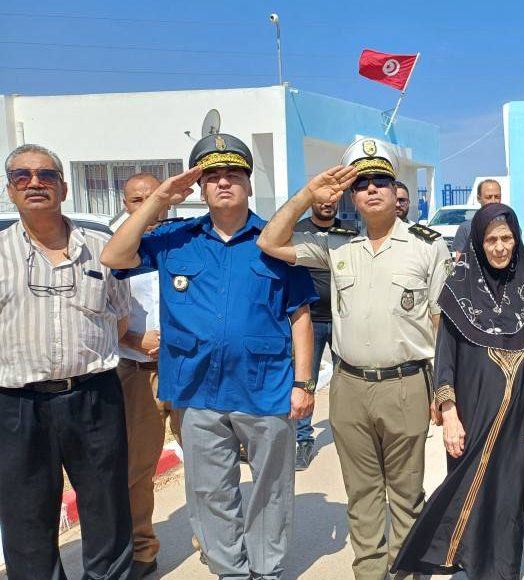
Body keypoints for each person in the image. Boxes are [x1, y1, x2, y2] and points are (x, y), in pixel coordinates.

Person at [101, 133, 318, 580]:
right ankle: (231, 570)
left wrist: (303, 383)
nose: (223, 182)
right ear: (200, 189)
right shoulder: (174, 238)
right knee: (209, 490)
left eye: (233, 174)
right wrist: (158, 199)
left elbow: (300, 316)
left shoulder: (274, 241)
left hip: (266, 386)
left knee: (271, 488)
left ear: (249, 184)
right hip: (196, 388)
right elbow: (114, 256)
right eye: (213, 176)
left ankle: (266, 569)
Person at [257, 136, 451, 579]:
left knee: (406, 494)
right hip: (349, 386)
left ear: (396, 189)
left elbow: (441, 325)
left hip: (407, 383)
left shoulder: (428, 246)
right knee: (361, 494)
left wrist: (442, 390)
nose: (372, 189)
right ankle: (369, 572)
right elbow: (269, 241)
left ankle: (406, 571)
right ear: (351, 194)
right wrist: (308, 194)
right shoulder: (336, 245)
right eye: (361, 183)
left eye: (381, 180)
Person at [393, 203, 524, 578]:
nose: (500, 247)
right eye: (491, 240)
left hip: (519, 422)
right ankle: (464, 562)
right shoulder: (457, 290)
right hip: (473, 412)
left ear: (516, 240)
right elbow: (445, 358)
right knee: (468, 488)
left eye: (507, 238)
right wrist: (449, 414)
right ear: (478, 243)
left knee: (510, 499)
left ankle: (503, 572)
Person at [0, 144, 133, 580]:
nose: (34, 183)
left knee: (107, 506)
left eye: (46, 175)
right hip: (17, 403)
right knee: (26, 515)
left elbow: (119, 318)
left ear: (64, 187)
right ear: (10, 190)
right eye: (22, 176)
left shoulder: (102, 249)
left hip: (94, 397)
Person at [116, 172, 184, 579]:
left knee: (205, 460)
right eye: (135, 200)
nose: (145, 206)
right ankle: (142, 549)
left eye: (152, 197)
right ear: (125, 205)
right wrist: (133, 338)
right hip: (136, 372)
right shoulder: (116, 251)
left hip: (186, 370)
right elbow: (98, 313)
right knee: (136, 470)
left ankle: (212, 541)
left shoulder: (185, 243)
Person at [291, 197, 356, 471]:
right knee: (306, 380)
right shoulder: (299, 231)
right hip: (309, 320)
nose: (327, 204)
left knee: (348, 382)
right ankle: (303, 440)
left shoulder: (349, 232)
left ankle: (349, 436)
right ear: (311, 203)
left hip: (344, 320)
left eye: (332, 201)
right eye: (321, 201)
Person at [452, 178, 501, 256]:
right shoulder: (466, 228)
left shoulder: (510, 225)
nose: (493, 201)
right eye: (488, 197)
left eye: (497, 197)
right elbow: (461, 260)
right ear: (479, 198)